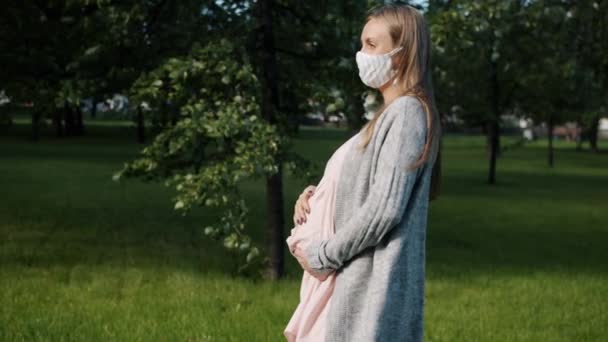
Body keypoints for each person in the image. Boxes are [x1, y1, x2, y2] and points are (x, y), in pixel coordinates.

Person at [290, 3, 442, 342]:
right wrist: (318, 196)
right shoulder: (391, 114)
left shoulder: (405, 115)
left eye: (372, 45)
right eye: (362, 45)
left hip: (368, 285)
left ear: (402, 55)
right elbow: (366, 187)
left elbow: (385, 208)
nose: (362, 54)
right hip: (352, 281)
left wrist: (323, 255)